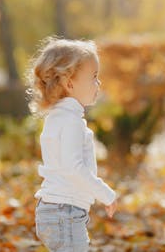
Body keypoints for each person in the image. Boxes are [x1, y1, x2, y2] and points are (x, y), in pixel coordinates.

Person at [27, 37, 117, 251]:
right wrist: (105, 193)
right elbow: (73, 167)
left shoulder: (57, 117)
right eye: (94, 77)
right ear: (69, 83)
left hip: (57, 211)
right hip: (64, 213)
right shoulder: (71, 121)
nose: (99, 83)